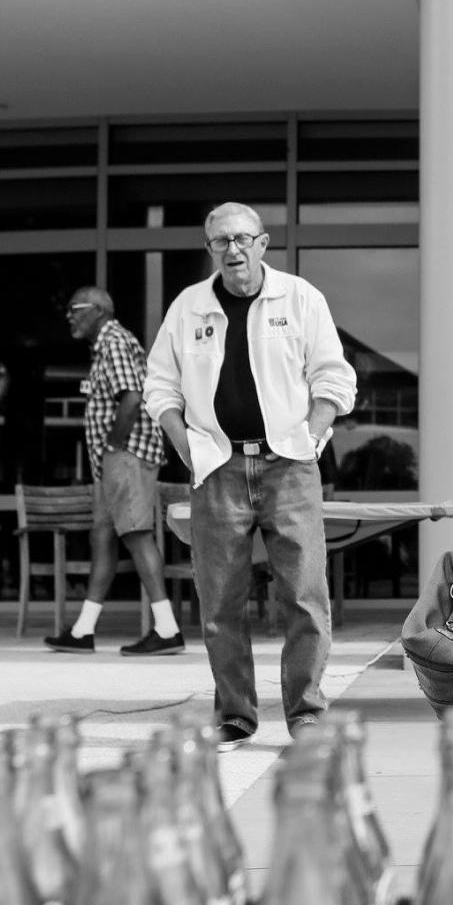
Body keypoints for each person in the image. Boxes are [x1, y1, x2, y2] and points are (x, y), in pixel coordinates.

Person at [143, 203, 356, 749]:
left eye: (242, 238)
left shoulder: (300, 297)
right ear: (208, 247)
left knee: (305, 596)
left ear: (262, 243)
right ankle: (235, 713)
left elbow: (333, 375)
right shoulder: (188, 307)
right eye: (221, 241)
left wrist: (311, 435)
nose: (232, 249)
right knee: (219, 602)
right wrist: (188, 448)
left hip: (290, 464)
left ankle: (306, 711)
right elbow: (159, 387)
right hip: (216, 467)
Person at [43, 287, 181, 656]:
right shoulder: (106, 346)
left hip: (128, 457)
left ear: (100, 310)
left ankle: (167, 629)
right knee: (102, 537)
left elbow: (133, 396)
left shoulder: (116, 340)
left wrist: (114, 446)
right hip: (115, 462)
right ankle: (83, 630)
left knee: (137, 536)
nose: (69, 316)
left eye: (75, 309)